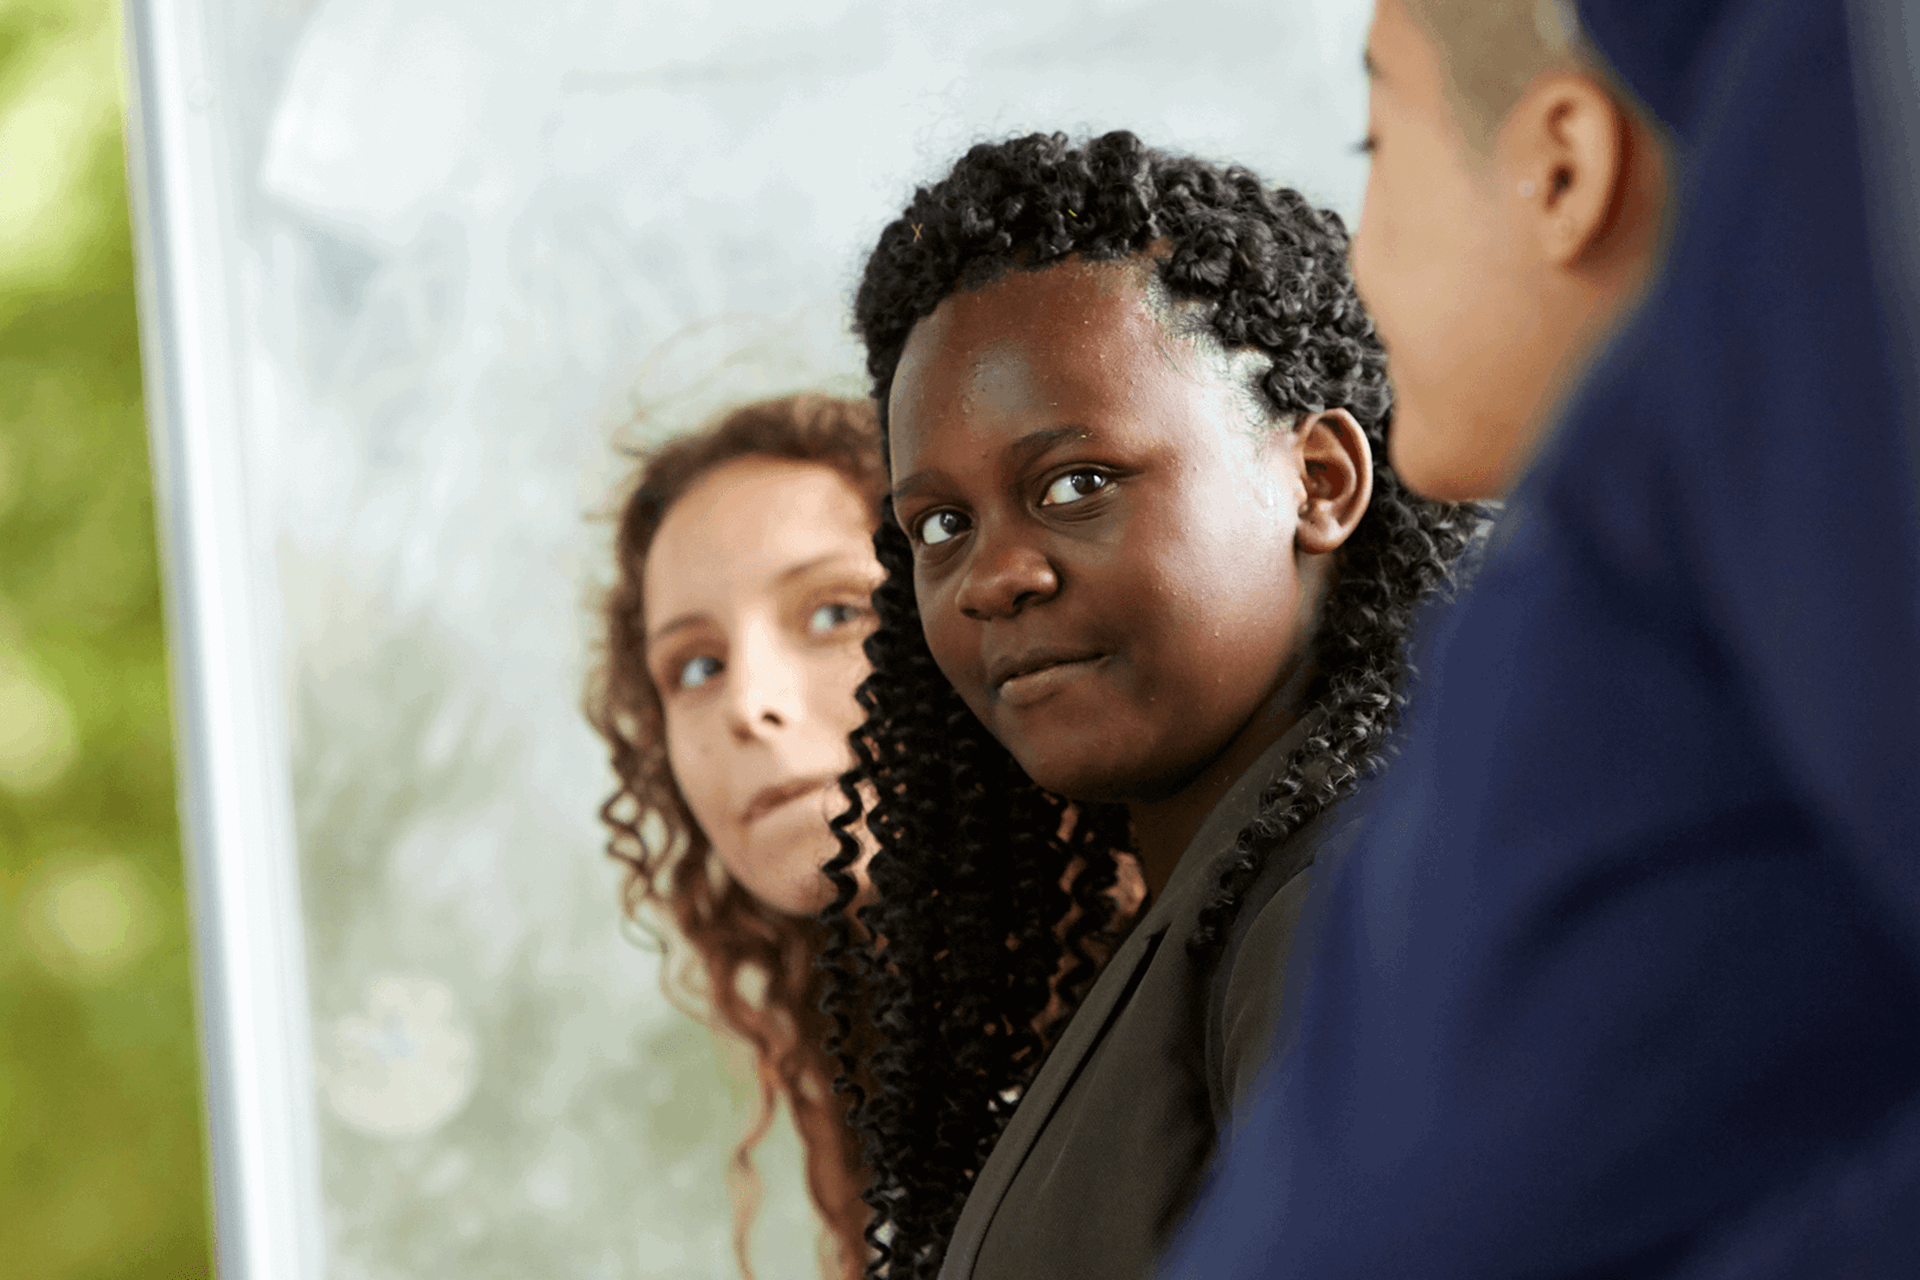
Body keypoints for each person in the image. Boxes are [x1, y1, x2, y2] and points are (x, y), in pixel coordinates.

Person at [1163, 0, 1920, 1275]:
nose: (1353, 259)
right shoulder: (1619, 558)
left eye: (1374, 141)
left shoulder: (1821, 193)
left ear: (1562, 167)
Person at [813, 131, 1481, 1280]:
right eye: (940, 524)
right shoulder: (1219, 916)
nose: (990, 575)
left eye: (1076, 483)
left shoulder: (1354, 908)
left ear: (1318, 480)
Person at [586, 393, 887, 1280]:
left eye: (835, 613)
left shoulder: (1229, 1006)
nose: (749, 704)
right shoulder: (895, 1110)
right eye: (697, 666)